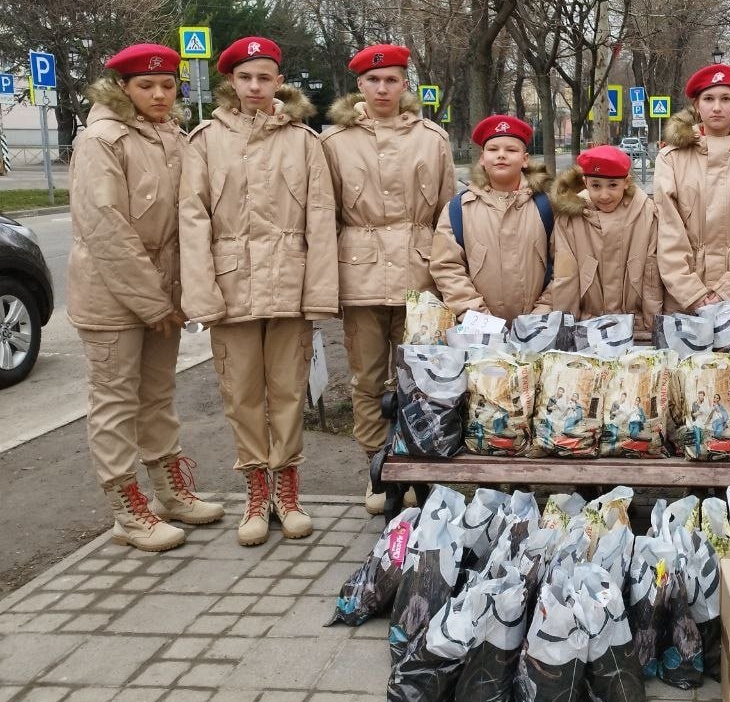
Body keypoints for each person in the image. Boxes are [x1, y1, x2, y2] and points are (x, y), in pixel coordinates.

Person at [180, 36, 338, 547]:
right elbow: (192, 221)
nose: (254, 86)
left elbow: (321, 219)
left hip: (290, 284)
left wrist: (319, 294)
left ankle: (287, 491)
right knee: (242, 393)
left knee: (289, 391)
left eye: (264, 77)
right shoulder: (205, 141)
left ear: (278, 82)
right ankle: (255, 490)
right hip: (232, 287)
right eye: (245, 77)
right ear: (230, 81)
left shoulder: (304, 141)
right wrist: (202, 295)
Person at [68, 44, 224, 552]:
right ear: (123, 88)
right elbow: (105, 228)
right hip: (112, 295)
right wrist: (152, 302)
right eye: (146, 86)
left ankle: (169, 492)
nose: (159, 94)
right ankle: (126, 510)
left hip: (163, 292)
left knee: (157, 395)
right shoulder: (101, 140)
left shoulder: (172, 135)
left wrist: (177, 293)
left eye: (167, 85)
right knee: (115, 401)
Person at [320, 44, 456, 514]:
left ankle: (417, 468)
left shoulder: (432, 138)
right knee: (368, 378)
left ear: (404, 85)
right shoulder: (335, 142)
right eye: (374, 80)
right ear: (360, 85)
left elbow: (447, 214)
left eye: (392, 80)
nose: (382, 88)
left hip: (420, 272)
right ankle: (378, 468)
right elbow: (326, 215)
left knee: (421, 377)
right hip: (360, 273)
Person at [654, 65, 730, 312]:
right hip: (685, 299)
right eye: (708, 99)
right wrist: (691, 292)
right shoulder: (671, 158)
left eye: (725, 99)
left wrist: (729, 290)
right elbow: (668, 230)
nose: (717, 107)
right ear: (696, 105)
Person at [431, 115, 554, 323]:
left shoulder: (547, 206)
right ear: (482, 158)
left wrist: (542, 313)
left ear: (525, 159)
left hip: (538, 326)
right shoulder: (458, 209)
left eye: (511, 150)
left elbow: (565, 267)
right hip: (479, 329)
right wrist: (478, 316)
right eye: (493, 149)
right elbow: (447, 267)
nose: (501, 155)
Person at [546, 145, 662, 337]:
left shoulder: (647, 213)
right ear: (585, 183)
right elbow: (566, 277)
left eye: (613, 185)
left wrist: (653, 326)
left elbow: (652, 274)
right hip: (587, 326)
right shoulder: (570, 219)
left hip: (636, 327)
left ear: (626, 182)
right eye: (596, 185)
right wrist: (567, 330)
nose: (604, 195)